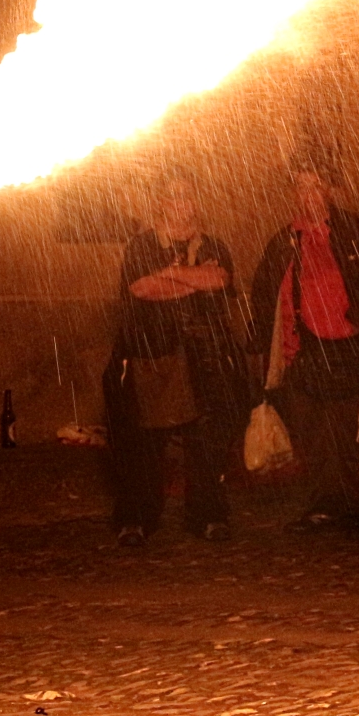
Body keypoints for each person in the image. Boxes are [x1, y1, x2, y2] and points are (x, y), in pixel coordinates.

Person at [249, 158, 359, 536]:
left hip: (350, 347)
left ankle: (355, 505)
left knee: (349, 434)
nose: (308, 194)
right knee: (313, 433)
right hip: (303, 350)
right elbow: (263, 295)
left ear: (329, 190)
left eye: (315, 186)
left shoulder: (356, 232)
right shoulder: (283, 240)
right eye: (300, 186)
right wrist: (266, 349)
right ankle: (323, 504)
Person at [111, 173, 247, 547]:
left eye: (186, 196)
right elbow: (143, 288)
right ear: (161, 203)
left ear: (197, 202)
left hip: (206, 356)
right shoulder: (141, 246)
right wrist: (193, 278)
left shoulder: (214, 244)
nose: (180, 204)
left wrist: (171, 274)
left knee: (207, 441)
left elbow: (220, 280)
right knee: (145, 442)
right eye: (172, 197)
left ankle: (208, 516)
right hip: (154, 354)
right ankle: (137, 519)